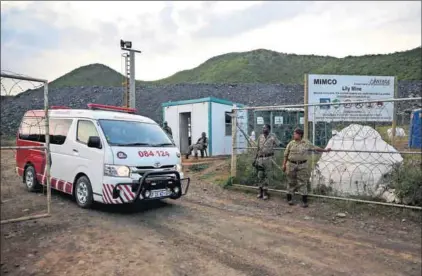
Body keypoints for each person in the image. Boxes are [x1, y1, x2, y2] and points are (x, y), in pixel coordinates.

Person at [282, 128, 331, 208]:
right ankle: (289, 199)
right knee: (291, 182)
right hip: (291, 165)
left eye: (295, 134)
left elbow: (315, 148)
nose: (294, 135)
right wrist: (283, 165)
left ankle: (304, 201)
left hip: (302, 165)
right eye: (294, 134)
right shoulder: (291, 143)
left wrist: (325, 150)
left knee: (302, 182)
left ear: (300, 135)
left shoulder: (306, 143)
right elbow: (285, 154)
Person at [253, 124, 281, 200]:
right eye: (263, 128)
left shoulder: (273, 136)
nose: (263, 129)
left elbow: (278, 144)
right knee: (260, 175)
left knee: (267, 176)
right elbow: (257, 149)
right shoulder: (260, 137)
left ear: (269, 129)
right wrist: (255, 159)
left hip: (268, 159)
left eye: (265, 128)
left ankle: (265, 192)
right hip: (260, 159)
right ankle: (260, 191)